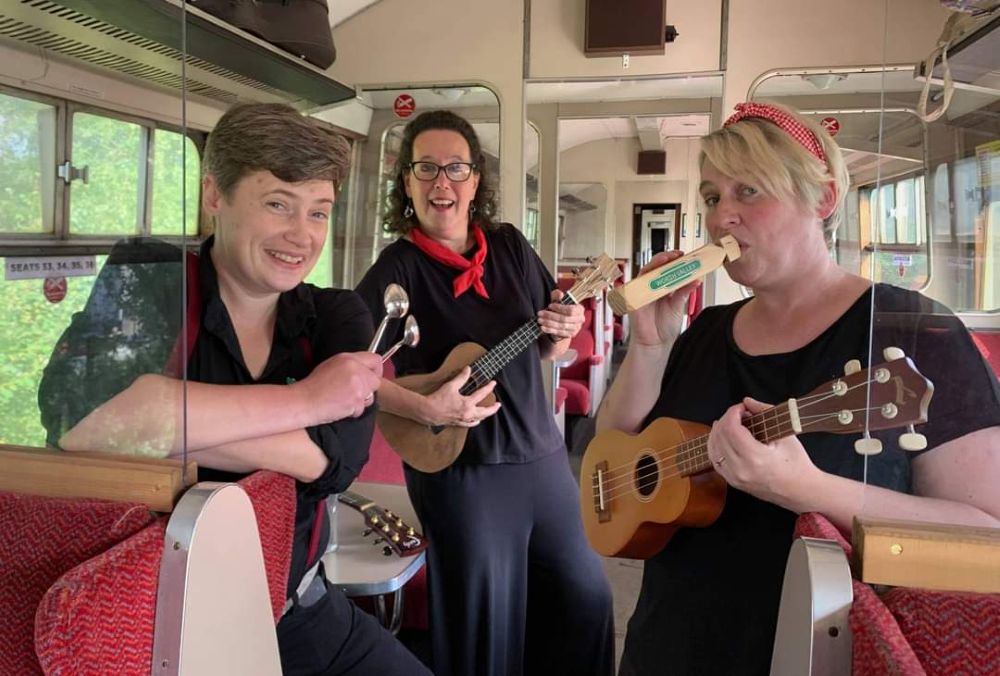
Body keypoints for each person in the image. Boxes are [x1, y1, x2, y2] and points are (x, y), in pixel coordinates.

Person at [597, 101, 1000, 675]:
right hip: (670, 642)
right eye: (713, 198)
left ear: (825, 200)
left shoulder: (915, 333)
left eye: (749, 192)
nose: (722, 218)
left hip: (819, 652)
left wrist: (806, 488)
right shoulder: (705, 331)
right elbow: (612, 458)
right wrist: (651, 345)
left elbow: (987, 534)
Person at [38, 102, 431, 676]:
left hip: (294, 612)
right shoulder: (153, 277)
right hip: (152, 621)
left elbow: (336, 460)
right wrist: (305, 403)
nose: (302, 236)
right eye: (278, 204)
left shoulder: (336, 315)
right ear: (214, 195)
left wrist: (167, 423)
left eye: (319, 213)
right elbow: (82, 421)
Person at [355, 109, 614, 676]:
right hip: (461, 471)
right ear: (406, 182)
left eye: (455, 168)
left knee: (586, 602)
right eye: (425, 168)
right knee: (485, 629)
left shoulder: (510, 246)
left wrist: (562, 333)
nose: (440, 182)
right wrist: (424, 406)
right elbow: (348, 375)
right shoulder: (395, 269)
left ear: (475, 182)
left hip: (542, 457)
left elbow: (546, 348)